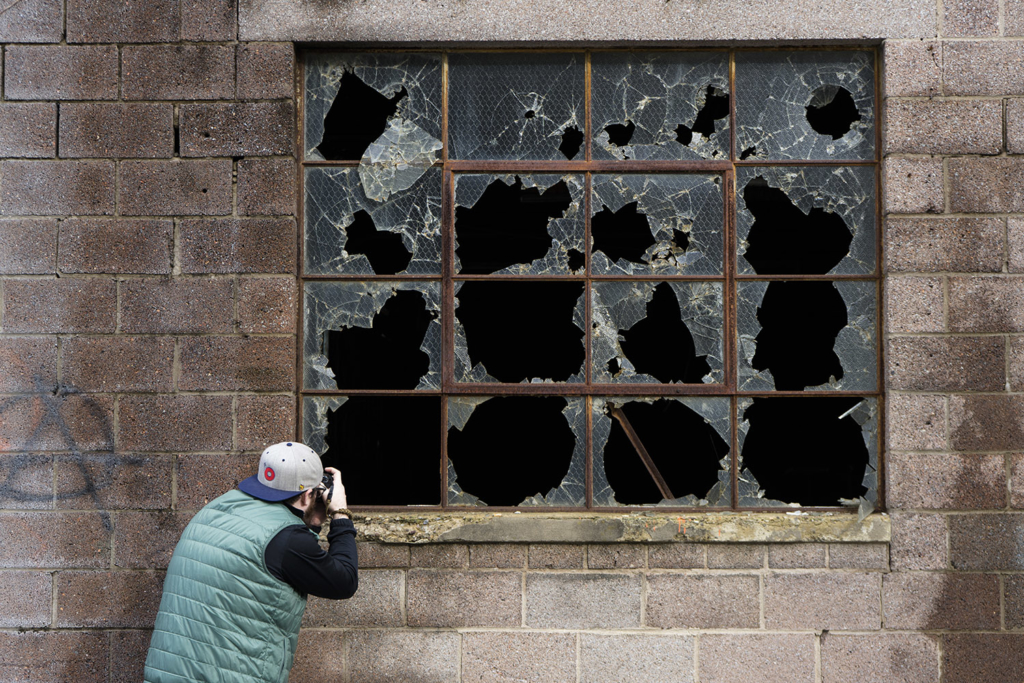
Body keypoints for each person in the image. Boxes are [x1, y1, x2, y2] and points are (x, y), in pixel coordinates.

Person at [143, 442, 357, 683]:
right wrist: (340, 513)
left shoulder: (217, 508)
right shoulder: (287, 539)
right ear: (309, 494)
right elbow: (344, 582)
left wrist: (313, 520)